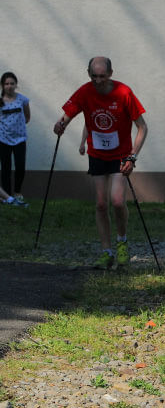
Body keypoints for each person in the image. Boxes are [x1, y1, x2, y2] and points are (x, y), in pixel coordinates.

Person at [53, 57, 148, 269]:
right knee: (101, 204)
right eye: (94, 76)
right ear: (89, 74)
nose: (98, 81)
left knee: (116, 201)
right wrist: (60, 125)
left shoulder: (124, 93)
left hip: (121, 156)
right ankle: (106, 252)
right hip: (97, 154)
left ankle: (122, 241)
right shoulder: (85, 92)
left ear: (111, 73)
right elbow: (67, 115)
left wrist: (133, 156)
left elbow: (142, 127)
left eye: (102, 76)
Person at [0, 72, 31, 205]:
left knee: (20, 167)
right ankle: (7, 196)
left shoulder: (23, 100)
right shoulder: (0, 102)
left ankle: (17, 192)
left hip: (20, 139)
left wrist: (18, 129)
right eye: (6, 84)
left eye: (12, 83)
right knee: (5, 168)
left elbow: (27, 117)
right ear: (2, 85)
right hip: (3, 139)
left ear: (16, 85)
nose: (9, 86)